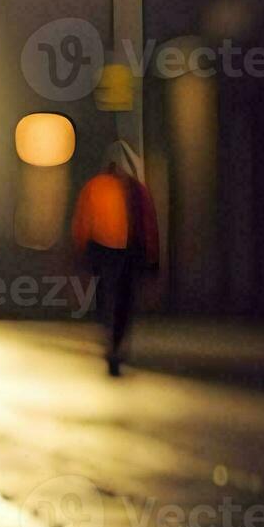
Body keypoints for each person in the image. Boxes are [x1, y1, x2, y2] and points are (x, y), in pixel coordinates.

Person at [71, 141, 160, 377]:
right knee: (122, 299)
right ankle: (116, 341)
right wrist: (151, 256)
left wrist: (81, 250)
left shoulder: (96, 186)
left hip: (105, 252)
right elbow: (148, 224)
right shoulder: (136, 189)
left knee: (109, 297)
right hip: (125, 252)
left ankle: (112, 339)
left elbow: (83, 220)